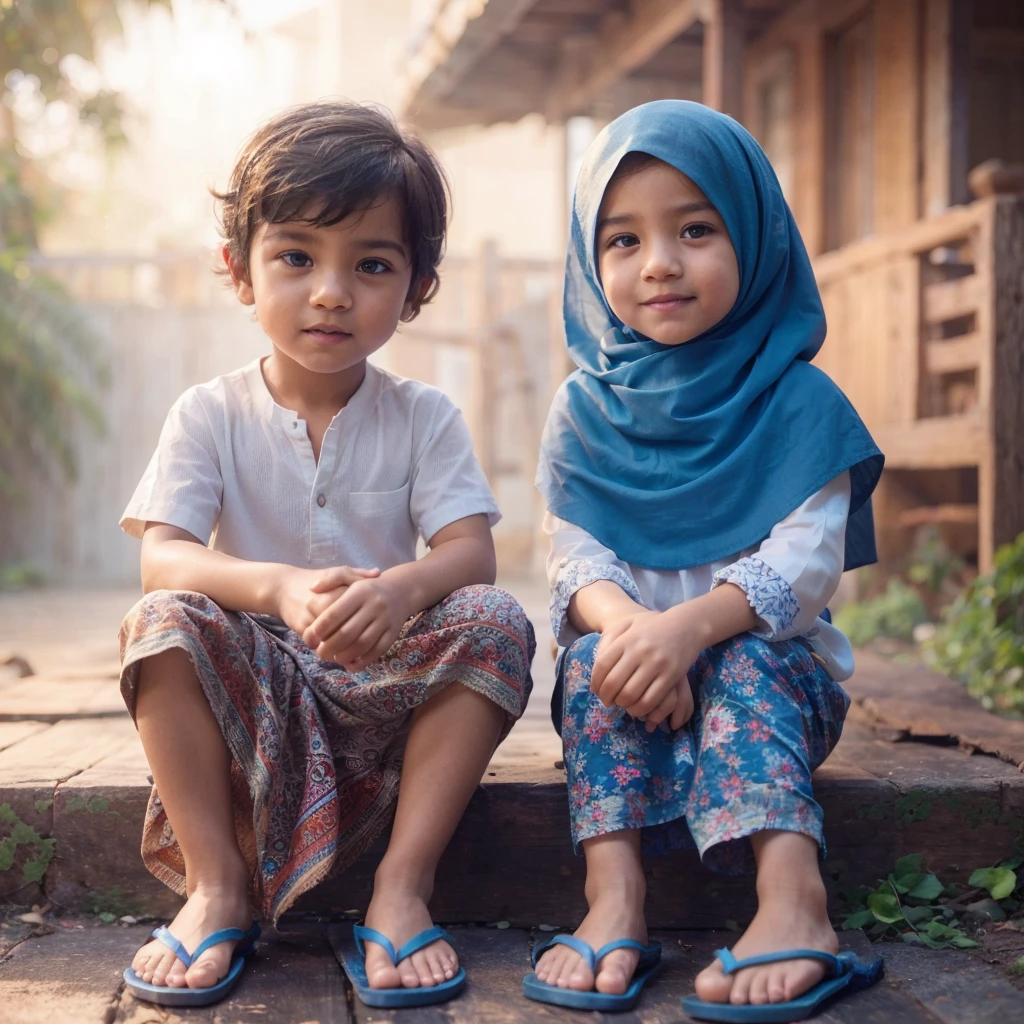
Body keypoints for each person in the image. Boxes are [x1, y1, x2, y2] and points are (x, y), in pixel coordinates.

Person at [117, 101, 534, 1009]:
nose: (331, 291)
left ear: (416, 288)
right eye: (297, 256)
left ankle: (401, 886)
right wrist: (276, 584)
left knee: (496, 622)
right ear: (240, 270)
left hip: (381, 687)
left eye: (372, 264)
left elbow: (472, 551)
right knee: (161, 623)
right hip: (253, 691)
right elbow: (165, 558)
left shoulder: (425, 416)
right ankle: (217, 887)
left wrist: (401, 589)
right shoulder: (207, 414)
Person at [526, 100, 884, 1020]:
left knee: (750, 657)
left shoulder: (800, 403)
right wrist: (635, 635)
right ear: (588, 258)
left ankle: (793, 898)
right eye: (622, 239)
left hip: (768, 680)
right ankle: (614, 898)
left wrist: (689, 630)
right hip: (640, 671)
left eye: (696, 228)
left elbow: (806, 564)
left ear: (756, 235)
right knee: (587, 665)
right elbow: (574, 556)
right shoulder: (582, 410)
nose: (658, 264)